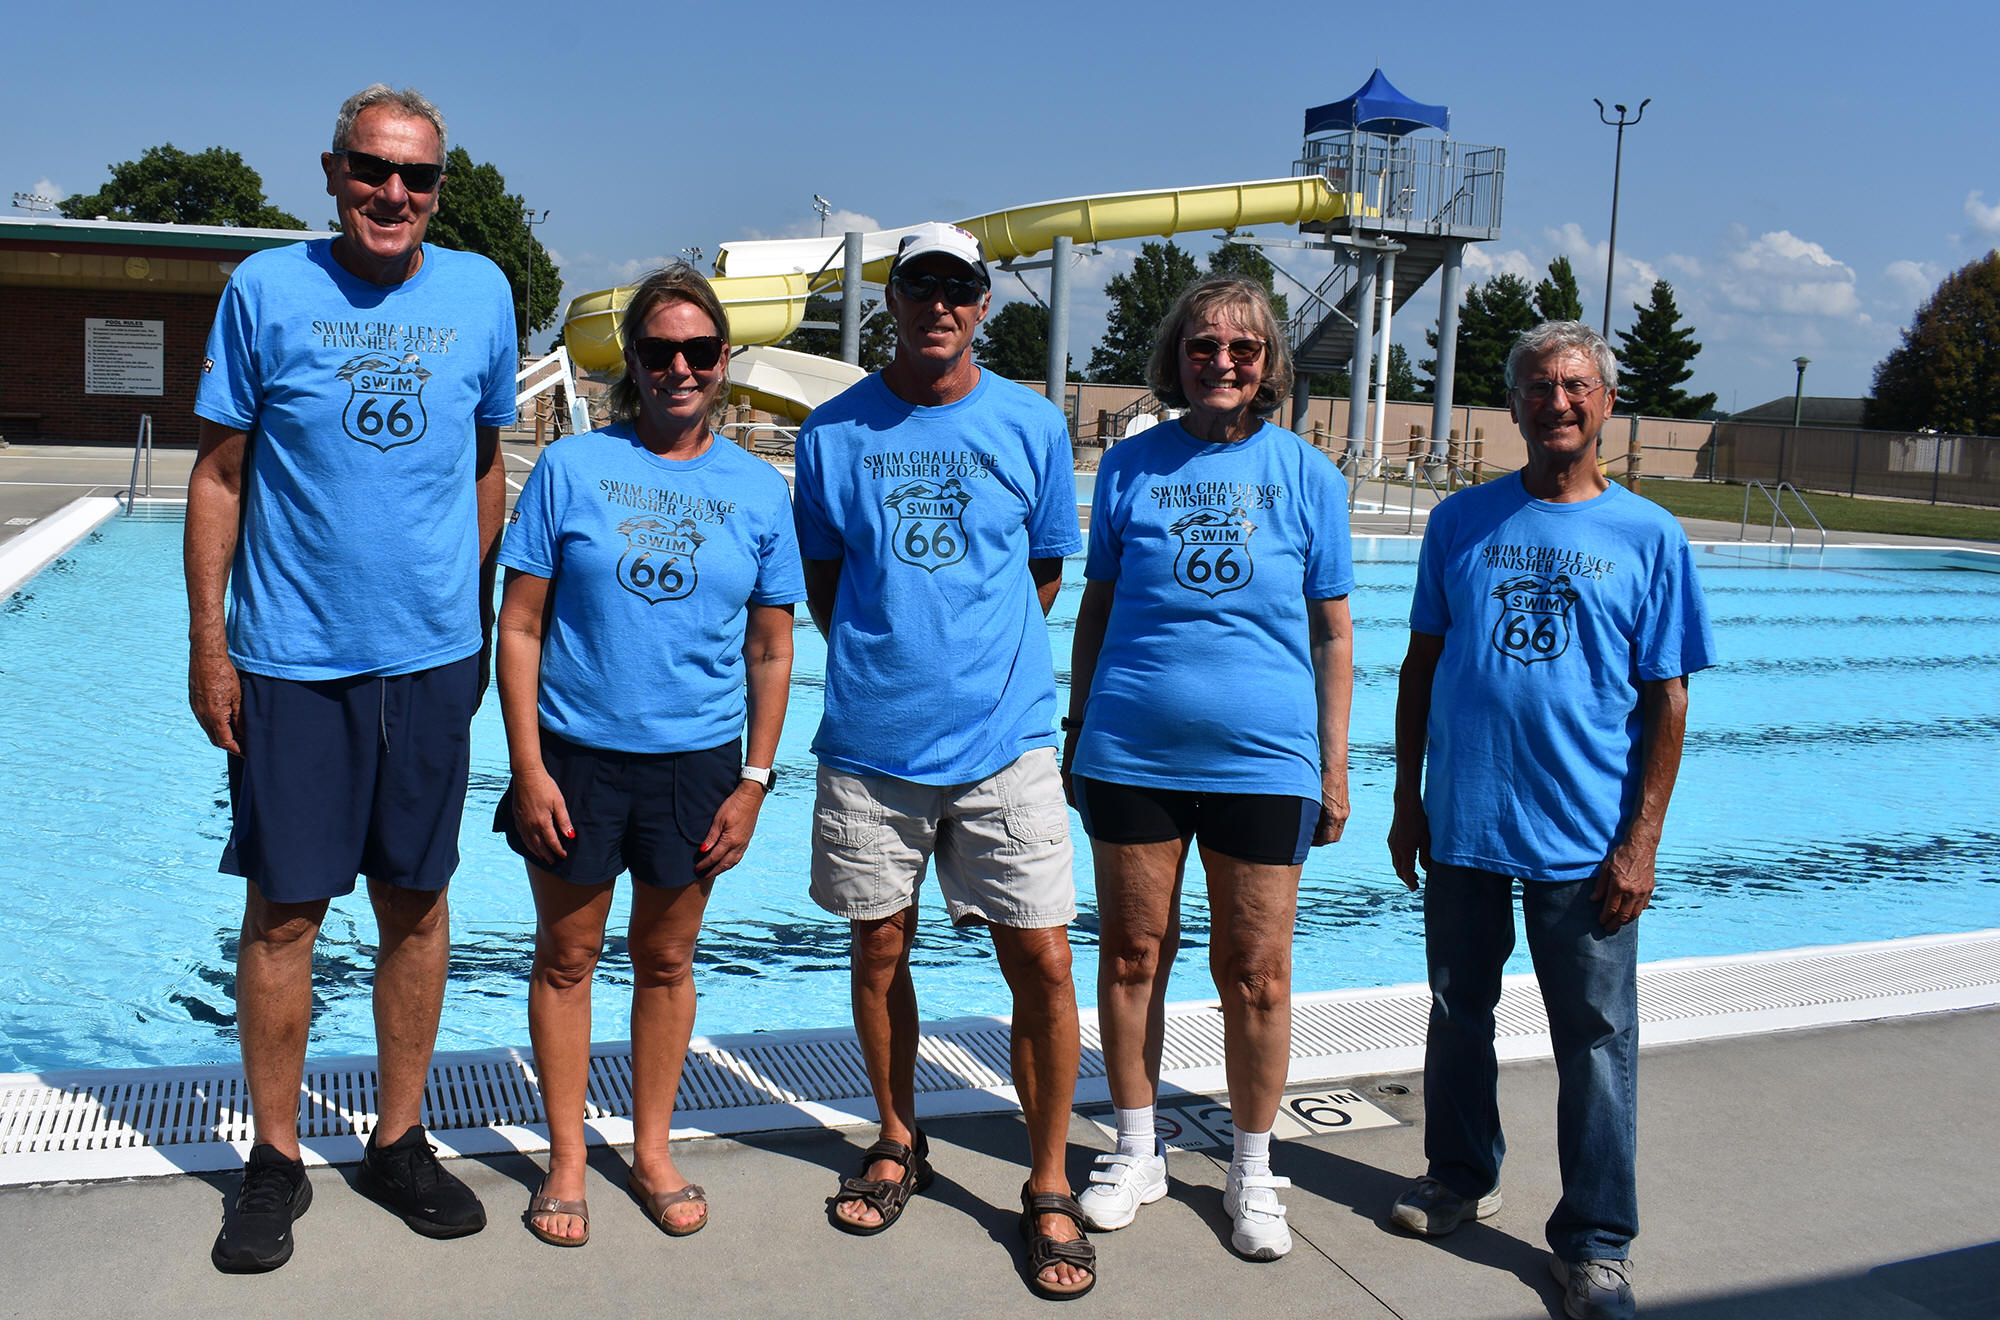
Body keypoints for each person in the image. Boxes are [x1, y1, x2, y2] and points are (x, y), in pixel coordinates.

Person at [187, 84, 516, 1272]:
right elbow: (220, 476)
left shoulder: (481, 292)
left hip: (430, 662)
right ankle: (274, 1160)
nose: (392, 193)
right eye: (372, 169)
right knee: (285, 913)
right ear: (332, 172)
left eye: (416, 177)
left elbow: (485, 463)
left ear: (439, 187)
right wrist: (209, 645)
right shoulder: (264, 289)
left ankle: (396, 1140)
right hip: (291, 661)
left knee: (416, 904)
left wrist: (472, 613)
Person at [1385, 321, 1715, 1320]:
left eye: (1575, 386)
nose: (1556, 402)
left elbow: (1667, 699)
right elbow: (1421, 665)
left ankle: (1595, 1240)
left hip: (1585, 836)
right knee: (1457, 1013)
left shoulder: (1648, 535)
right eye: (1537, 386)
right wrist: (1407, 799)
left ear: (1604, 402)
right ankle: (1458, 1174)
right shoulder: (1461, 521)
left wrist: (1640, 843)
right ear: (1515, 405)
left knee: (1596, 1040)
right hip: (1466, 821)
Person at [792, 222, 1094, 1300]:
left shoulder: (1031, 423)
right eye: (918, 286)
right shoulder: (833, 433)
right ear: (891, 299)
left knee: (1042, 961)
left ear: (982, 304)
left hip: (1005, 743)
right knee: (878, 948)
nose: (937, 305)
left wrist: (977, 662)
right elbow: (825, 584)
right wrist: (898, 658)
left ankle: (1047, 1180)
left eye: (957, 288)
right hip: (873, 743)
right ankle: (895, 1137)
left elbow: (1044, 568)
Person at [493, 264, 800, 1246]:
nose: (680, 367)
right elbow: (519, 627)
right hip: (575, 760)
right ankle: (567, 1157)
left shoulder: (757, 491)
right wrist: (528, 768)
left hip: (695, 766)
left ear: (723, 360)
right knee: (567, 958)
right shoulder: (571, 469)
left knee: (666, 960)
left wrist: (754, 782)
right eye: (660, 350)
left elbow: (771, 649)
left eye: (698, 350)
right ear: (631, 360)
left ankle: (652, 1148)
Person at [1063, 275, 1355, 1261]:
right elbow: (1098, 608)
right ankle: (1135, 1149)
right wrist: (1078, 729)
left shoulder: (1307, 475)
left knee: (1256, 972)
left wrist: (1332, 767)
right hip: (1132, 749)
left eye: (1241, 348)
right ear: (1176, 357)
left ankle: (1251, 1168)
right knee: (1132, 954)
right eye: (1202, 346)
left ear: (1267, 363)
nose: (1221, 363)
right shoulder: (1130, 467)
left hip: (1265, 759)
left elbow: (1331, 633)